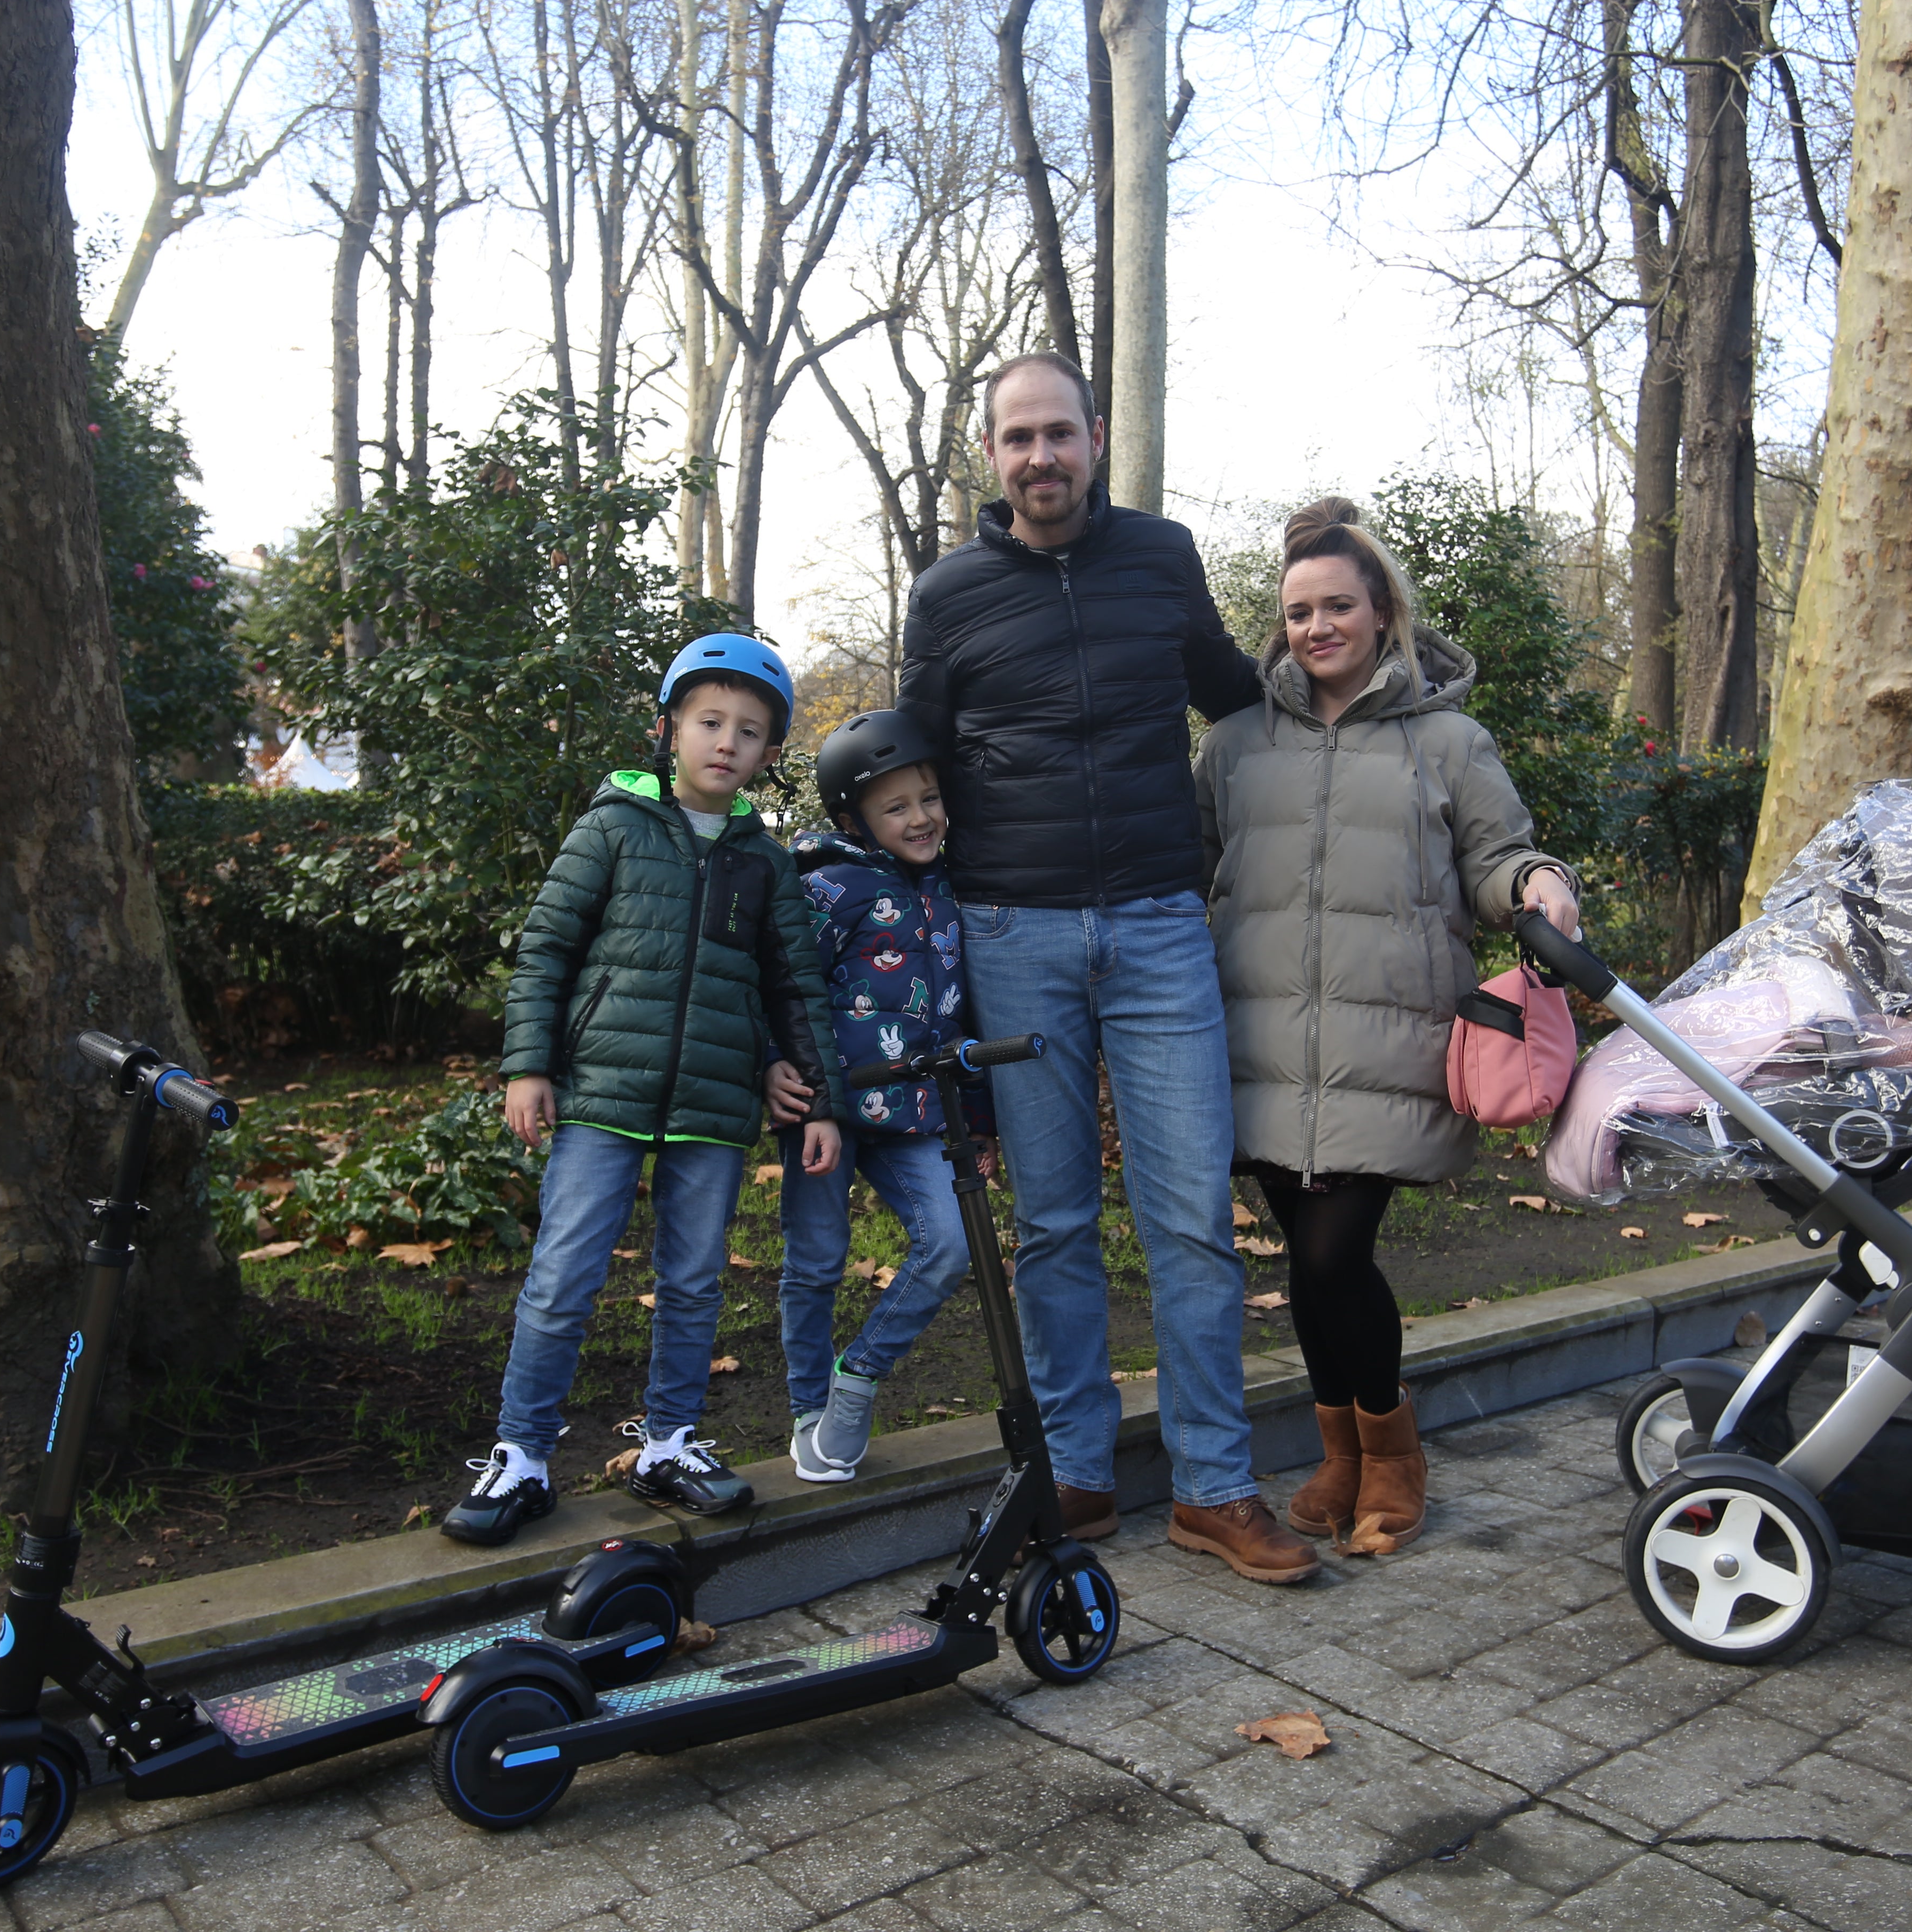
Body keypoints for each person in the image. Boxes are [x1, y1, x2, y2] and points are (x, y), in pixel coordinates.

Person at [895, 352, 1322, 1586]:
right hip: (1013, 932)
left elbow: (1233, 694)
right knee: (1054, 1222)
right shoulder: (951, 595)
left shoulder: (1162, 556)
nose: (1040, 458)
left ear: (1096, 438)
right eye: (1016, 438)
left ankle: (1215, 1486)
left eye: (1059, 435)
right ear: (992, 455)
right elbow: (915, 749)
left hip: (1155, 927)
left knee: (1190, 1216)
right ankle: (1074, 1473)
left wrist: (1360, 699)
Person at [1194, 498, 1581, 1555]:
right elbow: (1185, 875)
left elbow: (1499, 857)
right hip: (1261, 1041)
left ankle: (1394, 1456)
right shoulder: (1232, 748)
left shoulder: (1449, 743)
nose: (1317, 628)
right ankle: (1341, 1456)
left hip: (1387, 1036)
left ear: (1380, 613)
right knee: (1302, 1258)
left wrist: (1541, 882)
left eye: (1338, 607)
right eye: (1299, 611)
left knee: (1331, 1259)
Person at [439, 634, 843, 1546]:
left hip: (710, 1105)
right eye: (709, 721)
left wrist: (818, 1097)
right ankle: (522, 1457)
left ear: (770, 755)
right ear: (668, 729)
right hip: (599, 1096)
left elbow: (793, 987)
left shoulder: (765, 862)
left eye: (750, 731)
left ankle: (668, 1443)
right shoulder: (613, 828)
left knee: (694, 1282)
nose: (726, 743)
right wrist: (528, 1065)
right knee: (563, 1277)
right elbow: (548, 948)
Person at [766, 709, 991, 1482]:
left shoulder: (951, 891)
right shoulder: (830, 888)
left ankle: (856, 1379)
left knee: (953, 1244)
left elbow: (963, 1010)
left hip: (914, 1110)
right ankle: (807, 1411)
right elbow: (782, 985)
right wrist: (778, 1069)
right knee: (817, 1260)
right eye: (897, 807)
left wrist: (980, 1108)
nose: (921, 818)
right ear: (852, 819)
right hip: (827, 1108)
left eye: (929, 798)